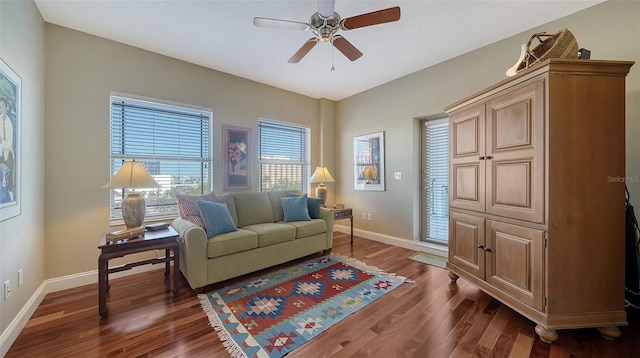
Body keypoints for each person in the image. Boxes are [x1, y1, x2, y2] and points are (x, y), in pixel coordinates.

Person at [0, 97, 15, 203]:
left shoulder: (9, 123)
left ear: (6, 108)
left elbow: (9, 145)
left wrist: (1, 142)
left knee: (6, 162)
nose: (1, 109)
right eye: (0, 107)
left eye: (3, 106)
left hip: (8, 153)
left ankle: (9, 189)